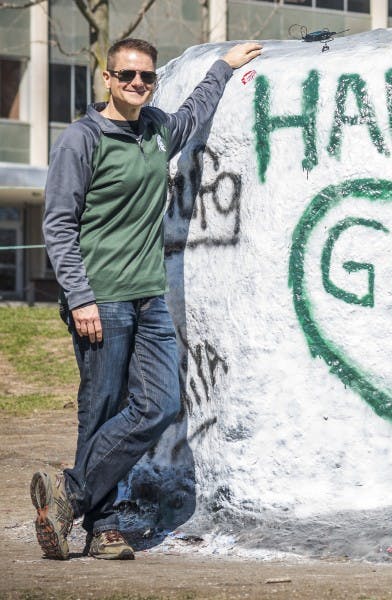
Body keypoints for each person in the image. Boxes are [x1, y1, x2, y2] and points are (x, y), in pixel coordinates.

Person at [33, 38, 262, 560]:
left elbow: (194, 112)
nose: (138, 84)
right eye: (128, 76)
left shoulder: (157, 130)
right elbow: (58, 225)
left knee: (159, 404)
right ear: (107, 79)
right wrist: (80, 296)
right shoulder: (82, 139)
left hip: (148, 296)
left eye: (147, 78)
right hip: (101, 299)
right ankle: (104, 526)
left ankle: (68, 495)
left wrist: (222, 68)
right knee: (102, 409)